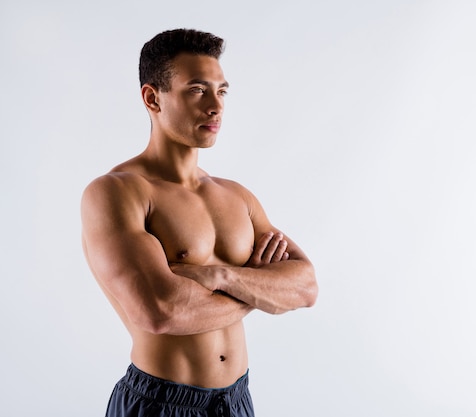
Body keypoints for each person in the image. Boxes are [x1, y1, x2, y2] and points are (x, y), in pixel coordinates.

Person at [80, 28, 318, 417]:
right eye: (196, 89)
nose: (216, 106)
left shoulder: (236, 196)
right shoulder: (117, 193)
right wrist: (262, 293)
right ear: (152, 98)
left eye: (221, 91)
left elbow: (305, 287)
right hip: (160, 402)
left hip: (237, 400)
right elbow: (161, 312)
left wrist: (224, 277)